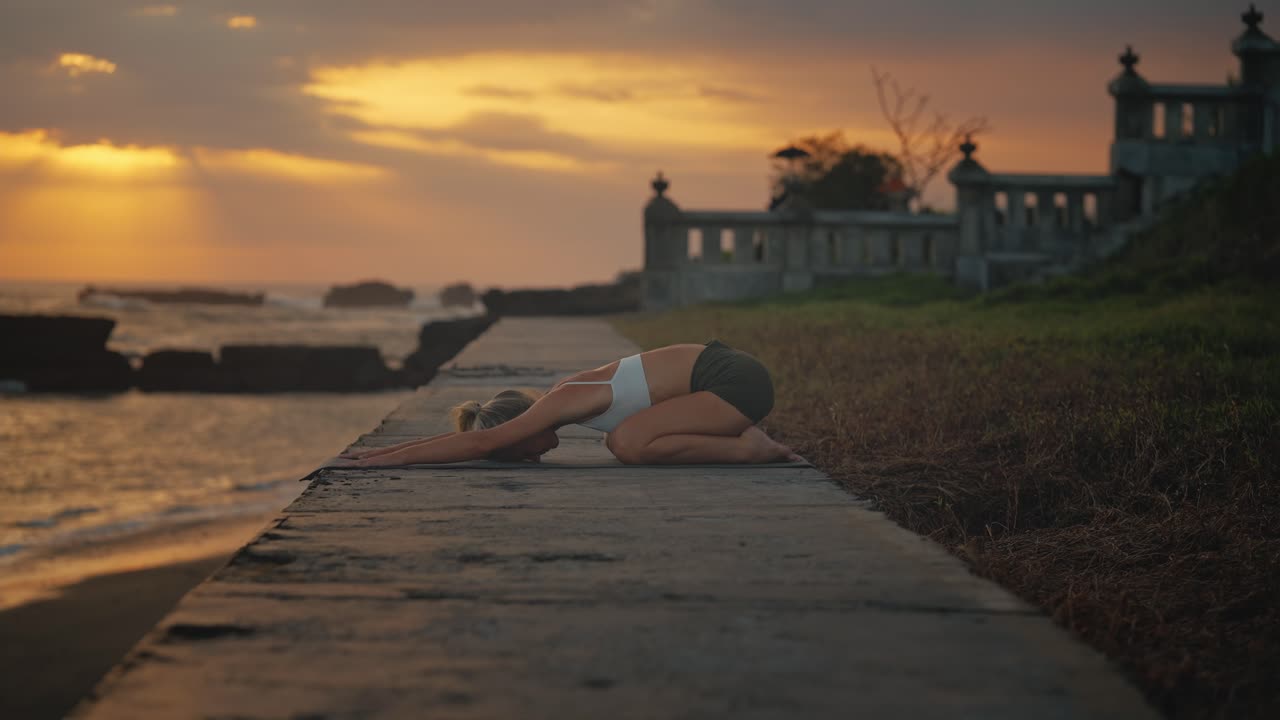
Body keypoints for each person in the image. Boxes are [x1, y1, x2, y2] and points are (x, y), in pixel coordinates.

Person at [334, 340, 799, 466]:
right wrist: (382, 452)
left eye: (519, 451)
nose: (531, 456)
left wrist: (373, 462)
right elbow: (482, 439)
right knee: (629, 439)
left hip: (735, 381)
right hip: (722, 384)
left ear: (520, 426)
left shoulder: (565, 400)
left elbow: (480, 444)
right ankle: (742, 437)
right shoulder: (567, 398)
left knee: (627, 443)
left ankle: (752, 449)